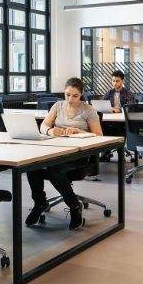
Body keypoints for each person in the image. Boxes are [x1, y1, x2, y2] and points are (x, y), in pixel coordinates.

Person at [26, 77, 103, 230]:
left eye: (75, 96)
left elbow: (99, 135)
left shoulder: (88, 110)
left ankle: (74, 206)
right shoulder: (57, 106)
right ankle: (40, 203)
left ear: (81, 94)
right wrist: (50, 131)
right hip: (56, 150)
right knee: (31, 167)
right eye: (67, 95)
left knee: (54, 170)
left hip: (78, 156)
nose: (70, 99)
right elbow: (43, 126)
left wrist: (79, 131)